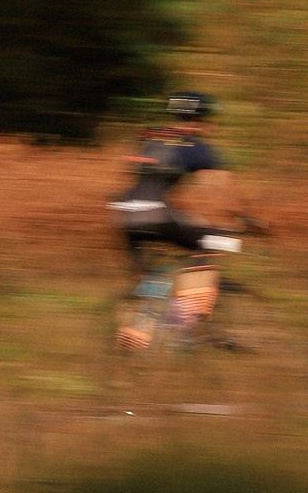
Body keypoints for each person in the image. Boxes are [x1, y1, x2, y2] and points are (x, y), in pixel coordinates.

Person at [110, 90, 258, 330]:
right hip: (159, 215)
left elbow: (139, 175)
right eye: (209, 118)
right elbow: (221, 189)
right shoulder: (196, 145)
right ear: (200, 119)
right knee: (214, 243)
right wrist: (244, 218)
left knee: (147, 275)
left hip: (124, 214)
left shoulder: (148, 137)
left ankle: (141, 320)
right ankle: (181, 326)